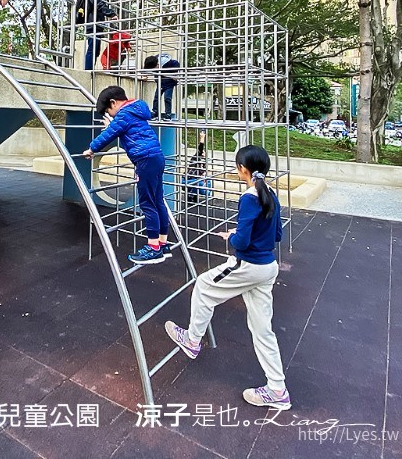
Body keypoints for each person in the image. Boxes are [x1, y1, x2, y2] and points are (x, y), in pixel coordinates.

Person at [164, 144, 290, 410]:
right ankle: (277, 390)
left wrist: (232, 235)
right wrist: (243, 233)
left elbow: (242, 241)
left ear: (242, 169)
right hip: (268, 267)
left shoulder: (249, 197)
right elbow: (277, 234)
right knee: (262, 330)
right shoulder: (271, 194)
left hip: (248, 265)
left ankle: (192, 340)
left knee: (203, 285)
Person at [83, 86, 169, 265]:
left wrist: (91, 149)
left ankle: (153, 248)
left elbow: (108, 135)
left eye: (108, 111)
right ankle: (162, 242)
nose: (111, 114)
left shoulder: (123, 114)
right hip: (156, 157)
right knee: (158, 200)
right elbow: (124, 131)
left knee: (148, 203)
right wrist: (114, 125)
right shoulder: (136, 110)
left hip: (145, 160)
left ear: (113, 103)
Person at [75, 0, 117, 70]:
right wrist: (111, 13)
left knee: (95, 49)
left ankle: (90, 69)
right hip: (93, 24)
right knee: (92, 48)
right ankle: (88, 70)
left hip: (96, 24)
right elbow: (99, 4)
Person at [143, 54, 180, 119]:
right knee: (156, 98)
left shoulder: (166, 62)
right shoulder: (152, 61)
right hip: (160, 83)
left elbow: (176, 63)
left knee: (167, 98)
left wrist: (175, 73)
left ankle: (168, 114)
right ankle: (155, 112)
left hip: (169, 83)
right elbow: (146, 69)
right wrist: (145, 75)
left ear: (157, 65)